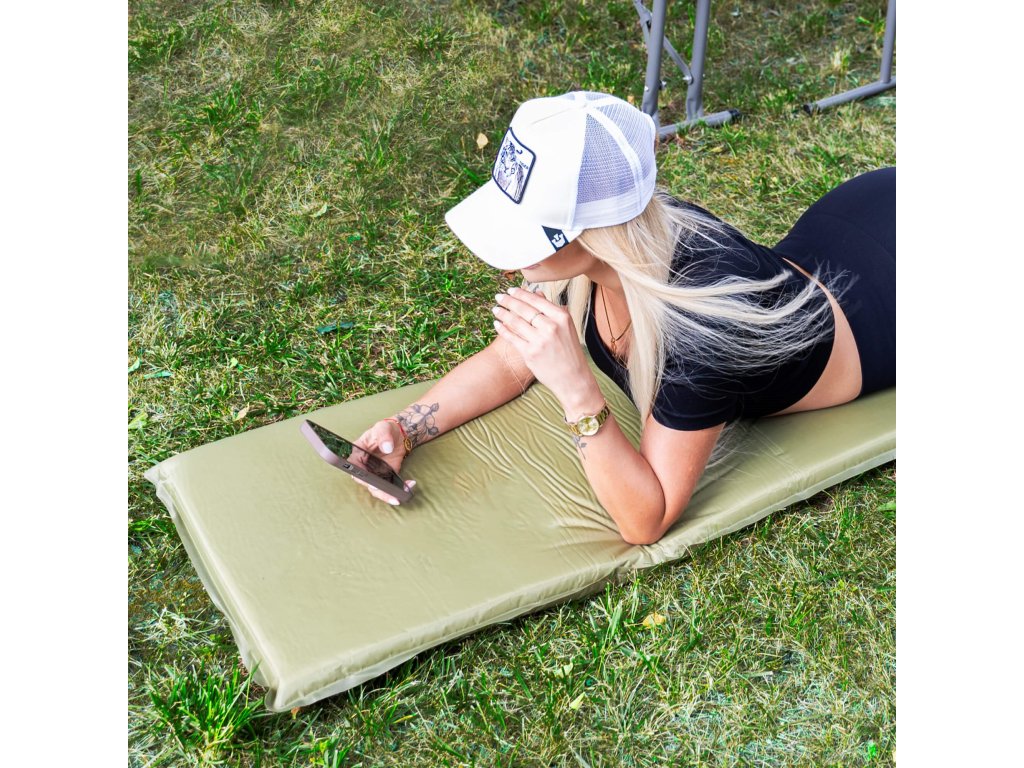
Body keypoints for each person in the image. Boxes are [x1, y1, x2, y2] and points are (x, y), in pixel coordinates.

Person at [350, 91, 895, 546]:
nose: (509, 254)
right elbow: (511, 361)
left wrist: (578, 392)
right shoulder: (608, 252)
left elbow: (645, 520)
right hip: (845, 229)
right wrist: (404, 429)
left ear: (593, 232)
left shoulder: (697, 328)